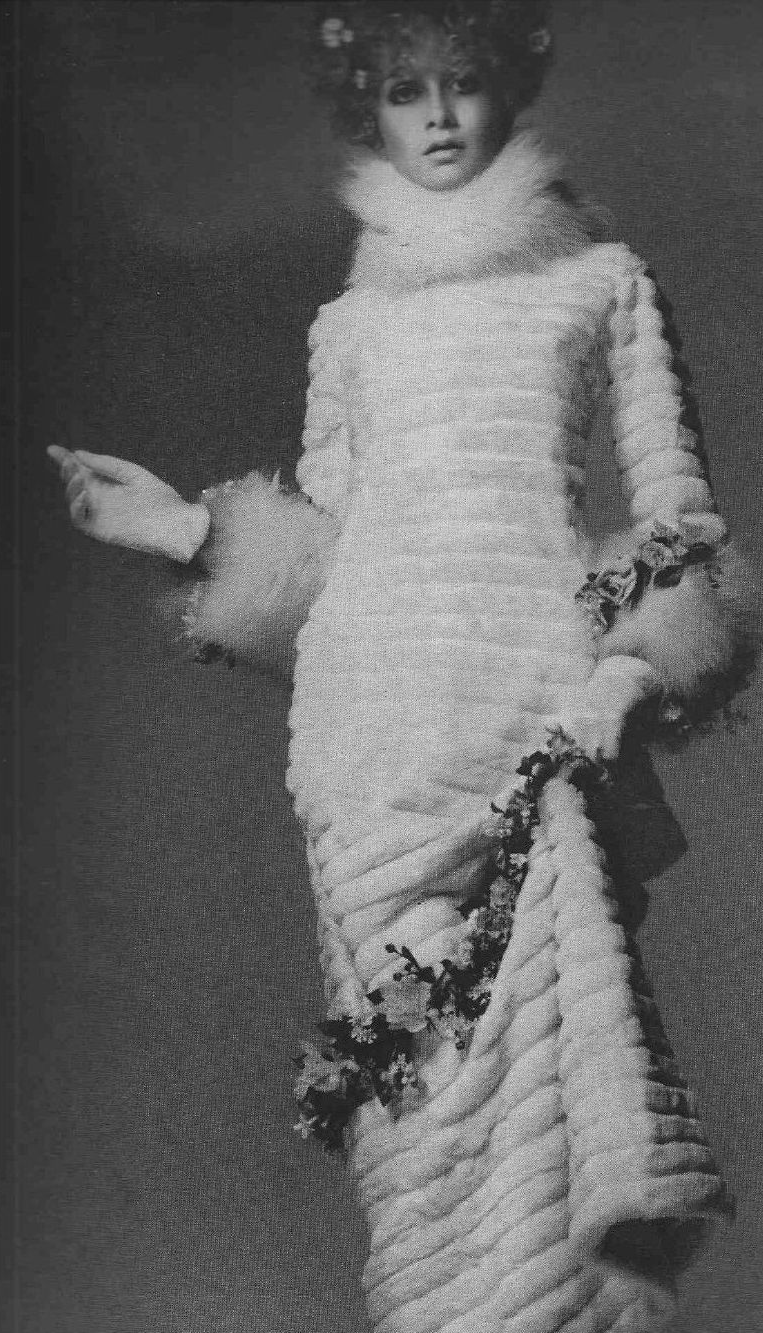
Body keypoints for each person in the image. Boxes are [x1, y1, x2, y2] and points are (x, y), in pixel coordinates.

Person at [48, 3, 747, 1329]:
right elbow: (331, 556)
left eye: (461, 82)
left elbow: (679, 534)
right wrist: (188, 531)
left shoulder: (602, 285)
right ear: (362, 104)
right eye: (402, 88)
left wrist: (622, 678)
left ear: (509, 89)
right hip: (365, 750)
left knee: (547, 1124)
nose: (435, 116)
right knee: (414, 1140)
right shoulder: (350, 326)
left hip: (530, 729)